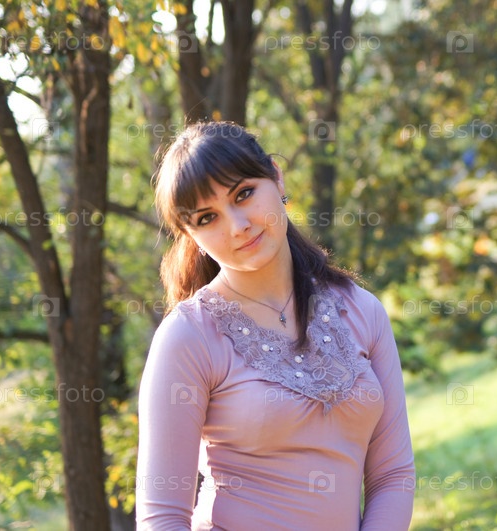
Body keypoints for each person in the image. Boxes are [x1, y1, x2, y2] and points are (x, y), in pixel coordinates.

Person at [135, 121, 415, 530]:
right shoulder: (189, 336)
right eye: (208, 217)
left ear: (276, 178)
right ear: (192, 236)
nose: (238, 225)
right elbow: (162, 517)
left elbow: (393, 475)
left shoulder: (361, 311)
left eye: (243, 194)